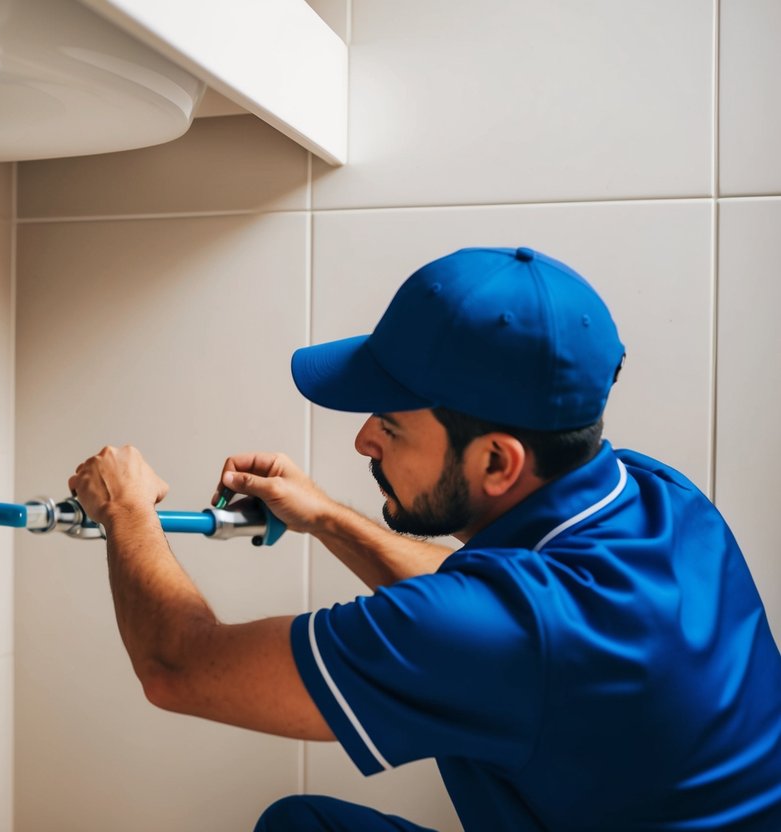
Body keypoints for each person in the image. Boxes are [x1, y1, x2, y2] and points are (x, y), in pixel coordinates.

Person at [67, 247, 781, 831]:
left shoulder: (515, 630)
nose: (361, 439)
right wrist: (326, 516)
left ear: (496, 461)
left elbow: (178, 669)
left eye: (391, 424)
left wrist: (123, 509)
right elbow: (492, 608)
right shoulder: (658, 495)